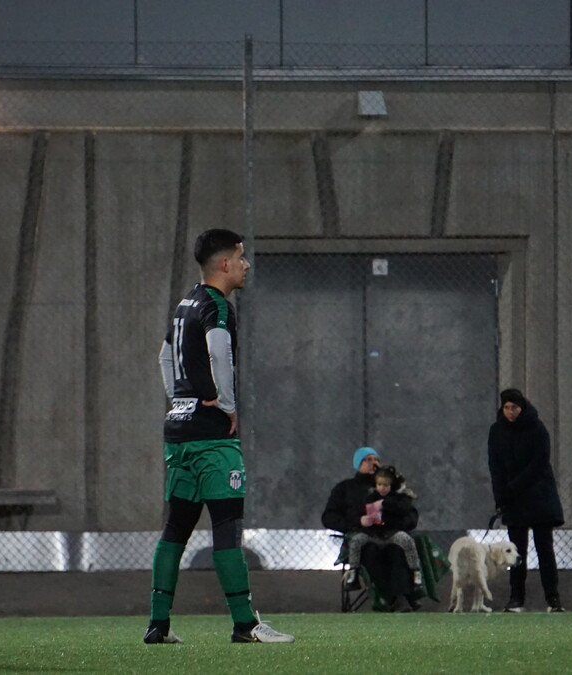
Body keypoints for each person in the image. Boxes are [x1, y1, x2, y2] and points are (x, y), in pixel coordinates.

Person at [145, 228, 294, 645]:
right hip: (211, 437)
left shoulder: (185, 303)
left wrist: (181, 398)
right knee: (227, 526)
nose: (246, 265)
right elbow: (218, 351)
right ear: (224, 263)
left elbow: (164, 355)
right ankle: (245, 624)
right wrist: (226, 404)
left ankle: (158, 624)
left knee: (176, 527)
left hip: (179, 432)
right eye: (241, 257)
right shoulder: (217, 305)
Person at [488, 388, 565, 613]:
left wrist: (512, 487)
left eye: (514, 407)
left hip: (539, 496)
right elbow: (495, 465)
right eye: (506, 408)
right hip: (514, 500)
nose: (510, 412)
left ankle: (553, 599)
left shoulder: (537, 428)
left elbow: (540, 463)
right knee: (516, 551)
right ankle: (516, 599)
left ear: (522, 408)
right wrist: (500, 495)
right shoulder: (497, 431)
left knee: (544, 548)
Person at [322, 446, 423, 611]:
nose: (373, 463)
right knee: (371, 552)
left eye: (376, 459)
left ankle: (401, 597)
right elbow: (329, 517)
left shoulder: (391, 487)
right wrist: (358, 522)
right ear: (358, 464)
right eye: (368, 459)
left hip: (391, 534)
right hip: (365, 536)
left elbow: (410, 514)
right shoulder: (345, 488)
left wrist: (396, 524)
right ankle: (394, 598)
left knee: (398, 550)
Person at [345, 465, 423, 589]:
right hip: (372, 533)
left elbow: (403, 509)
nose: (382, 488)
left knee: (407, 540)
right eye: (379, 484)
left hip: (391, 533)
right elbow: (357, 512)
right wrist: (362, 520)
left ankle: (416, 571)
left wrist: (384, 504)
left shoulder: (398, 499)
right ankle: (353, 572)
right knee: (356, 541)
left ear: (391, 486)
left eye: (386, 485)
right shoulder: (369, 498)